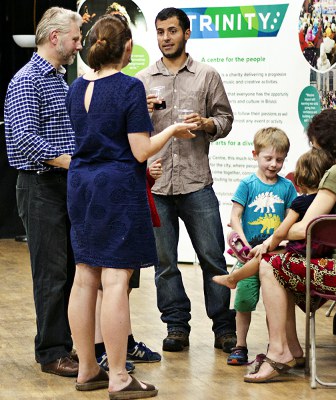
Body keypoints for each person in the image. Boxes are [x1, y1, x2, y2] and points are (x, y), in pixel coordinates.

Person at [66, 14, 195, 398]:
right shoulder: (129, 87)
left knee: (84, 277)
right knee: (115, 280)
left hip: (81, 185)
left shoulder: (76, 87)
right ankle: (120, 376)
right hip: (116, 189)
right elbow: (140, 151)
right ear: (126, 47)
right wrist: (172, 129)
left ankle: (87, 369)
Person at [238, 109, 336, 384]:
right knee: (281, 265)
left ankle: (280, 351)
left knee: (270, 265)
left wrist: (277, 236)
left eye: (315, 145)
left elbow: (307, 227)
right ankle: (293, 350)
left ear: (326, 143)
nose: (313, 151)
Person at [136, 7, 236, 353]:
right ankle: (176, 326)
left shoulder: (207, 75)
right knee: (165, 264)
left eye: (172, 31)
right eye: (160, 31)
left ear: (187, 33)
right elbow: (130, 132)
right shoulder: (142, 80)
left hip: (196, 182)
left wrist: (207, 124)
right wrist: (141, 112)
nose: (165, 38)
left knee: (212, 257)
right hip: (157, 185)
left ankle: (224, 328)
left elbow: (225, 119)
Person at [4, 7, 82, 377]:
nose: (79, 45)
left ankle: (63, 345)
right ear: (55, 38)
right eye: (75, 38)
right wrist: (72, 163)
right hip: (40, 187)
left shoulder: (59, 80)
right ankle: (52, 353)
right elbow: (24, 138)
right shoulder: (27, 80)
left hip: (62, 184)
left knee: (67, 270)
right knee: (51, 274)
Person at [224, 127, 298, 366]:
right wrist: (243, 242)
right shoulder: (247, 184)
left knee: (273, 303)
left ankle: (274, 346)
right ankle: (240, 345)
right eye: (268, 158)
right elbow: (235, 215)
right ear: (255, 155)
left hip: (275, 255)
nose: (274, 164)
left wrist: (282, 241)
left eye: (280, 159)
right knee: (244, 300)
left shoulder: (287, 187)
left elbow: (290, 219)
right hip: (249, 254)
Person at [213, 147, 335, 290]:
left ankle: (232, 278)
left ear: (302, 176)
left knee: (264, 255)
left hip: (302, 250)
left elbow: (282, 231)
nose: (273, 164)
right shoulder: (331, 201)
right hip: (324, 250)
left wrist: (267, 245)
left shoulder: (300, 202)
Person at [94, 160, 163, 373]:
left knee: (124, 286)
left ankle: (126, 342)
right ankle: (99, 349)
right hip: (111, 207)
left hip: (132, 208)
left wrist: (148, 175)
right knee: (105, 286)